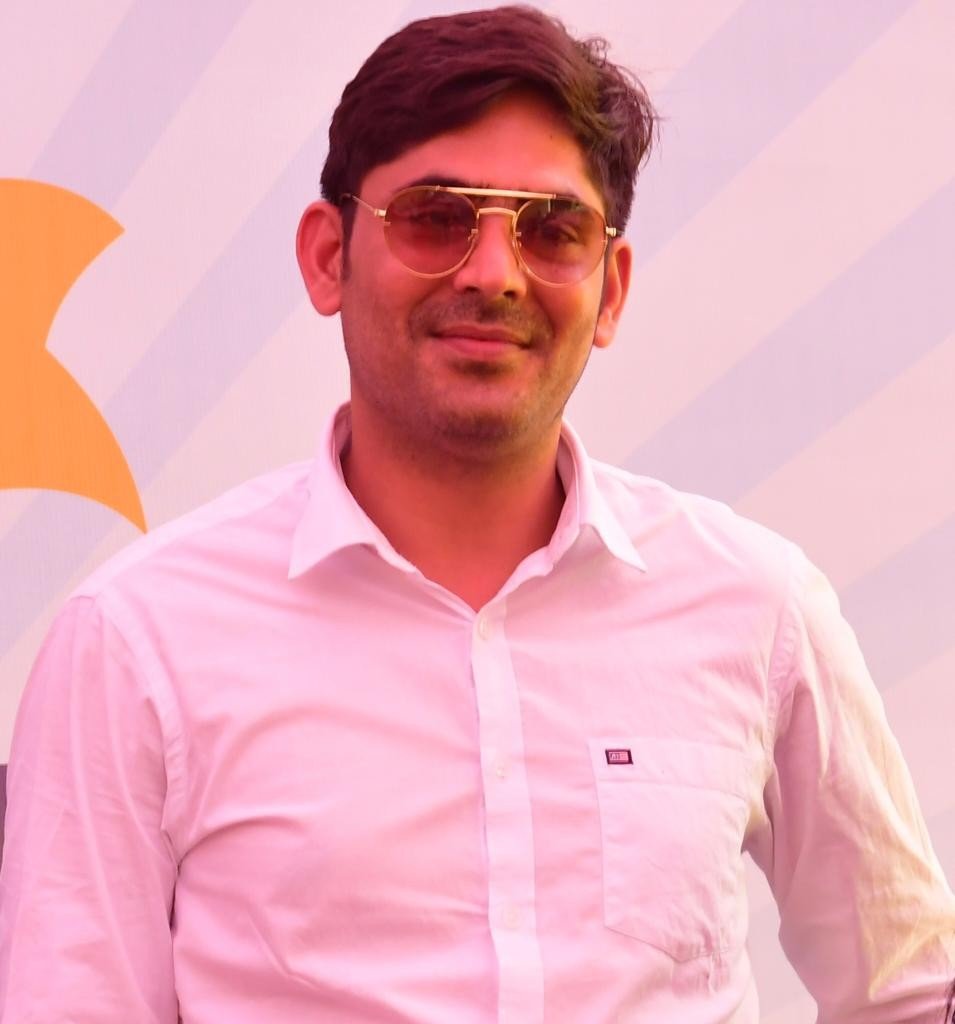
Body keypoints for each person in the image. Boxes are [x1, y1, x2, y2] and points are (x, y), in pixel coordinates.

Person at [0, 5, 953, 1022]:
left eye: (553, 231)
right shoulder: (139, 640)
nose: (494, 274)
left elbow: (907, 990)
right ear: (326, 256)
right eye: (434, 217)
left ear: (610, 288)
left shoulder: (757, 605)